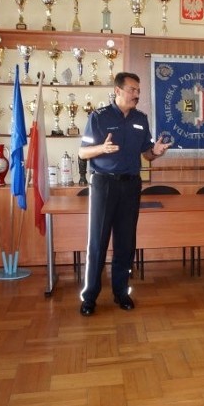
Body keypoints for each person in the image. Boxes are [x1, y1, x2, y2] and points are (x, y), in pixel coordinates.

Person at [78, 72, 170, 316]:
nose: (136, 95)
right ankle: (89, 297)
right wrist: (102, 148)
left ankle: (121, 293)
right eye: (132, 90)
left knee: (126, 243)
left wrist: (157, 151)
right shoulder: (98, 117)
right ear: (117, 91)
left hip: (131, 185)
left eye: (138, 91)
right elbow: (82, 153)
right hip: (104, 185)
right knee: (98, 241)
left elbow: (147, 154)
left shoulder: (141, 119)